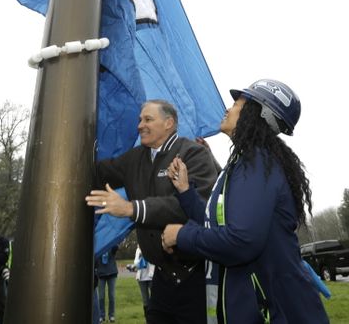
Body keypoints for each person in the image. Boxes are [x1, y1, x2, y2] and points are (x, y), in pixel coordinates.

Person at [162, 79, 330, 323]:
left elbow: (242, 241)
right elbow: (217, 228)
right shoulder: (243, 163)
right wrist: (186, 191)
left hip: (281, 313)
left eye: (237, 103)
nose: (228, 108)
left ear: (257, 113)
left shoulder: (258, 163)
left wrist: (181, 235)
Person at [86, 99, 220, 324]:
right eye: (140, 120)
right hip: (162, 280)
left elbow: (193, 207)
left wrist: (132, 208)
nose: (140, 125)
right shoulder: (134, 158)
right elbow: (98, 173)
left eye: (148, 119)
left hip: (196, 279)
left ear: (169, 123)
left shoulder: (194, 154)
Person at [95, 246, 118, 323]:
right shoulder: (99, 245)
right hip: (101, 274)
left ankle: (111, 315)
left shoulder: (111, 244)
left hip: (111, 273)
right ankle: (101, 315)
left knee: (112, 296)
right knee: (101, 297)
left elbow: (115, 248)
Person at [133, 245, 155, 323]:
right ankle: (148, 320)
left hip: (151, 277)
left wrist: (147, 255)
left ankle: (155, 318)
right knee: (145, 300)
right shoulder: (138, 250)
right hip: (141, 278)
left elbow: (155, 261)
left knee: (154, 299)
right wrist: (140, 256)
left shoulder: (152, 247)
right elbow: (135, 263)